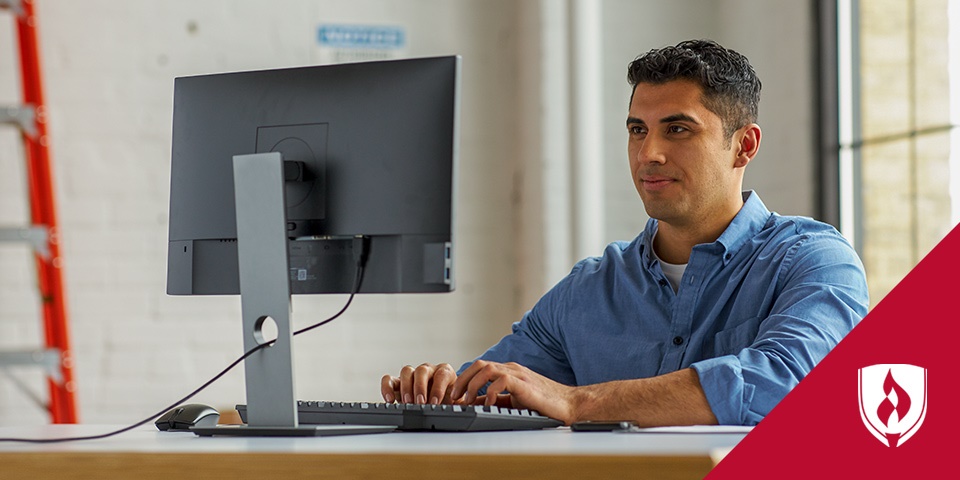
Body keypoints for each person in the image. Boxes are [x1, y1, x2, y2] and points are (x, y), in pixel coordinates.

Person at [380, 39, 869, 427]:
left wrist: (579, 402)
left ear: (744, 146)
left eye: (677, 129)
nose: (648, 153)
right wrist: (444, 391)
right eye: (638, 129)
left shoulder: (816, 261)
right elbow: (503, 388)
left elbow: (783, 383)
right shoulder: (588, 290)